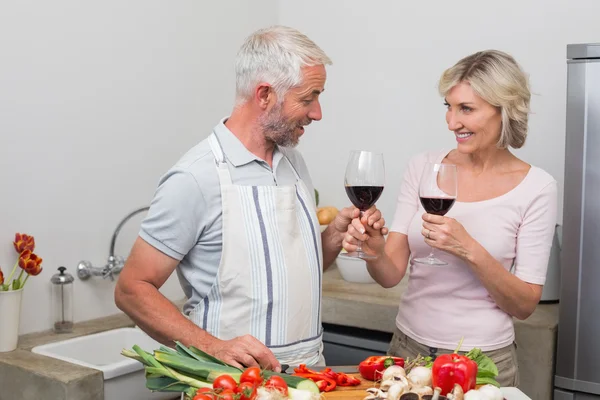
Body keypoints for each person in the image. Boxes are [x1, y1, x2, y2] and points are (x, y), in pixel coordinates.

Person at [114, 25, 386, 372]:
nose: (317, 113)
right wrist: (213, 347)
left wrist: (332, 236)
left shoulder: (293, 162)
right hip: (230, 383)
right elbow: (131, 289)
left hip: (309, 377)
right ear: (264, 95)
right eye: (308, 98)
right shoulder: (196, 177)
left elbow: (289, 271)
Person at [343, 50, 557, 386]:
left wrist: (468, 248)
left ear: (504, 110)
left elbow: (525, 304)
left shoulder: (537, 187)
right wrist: (374, 250)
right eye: (449, 107)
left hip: (482, 361)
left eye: (466, 109)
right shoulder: (423, 166)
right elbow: (389, 274)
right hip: (407, 349)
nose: (451, 122)